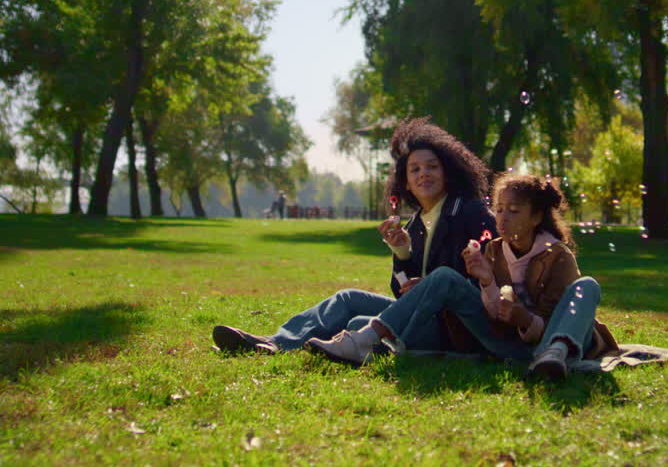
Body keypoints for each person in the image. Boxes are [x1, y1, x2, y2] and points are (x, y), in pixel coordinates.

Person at [210, 117, 496, 354]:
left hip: (454, 325)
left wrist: (430, 289)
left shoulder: (469, 212)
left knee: (361, 321)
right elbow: (401, 293)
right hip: (421, 317)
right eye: (415, 169)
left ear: (449, 171)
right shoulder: (415, 225)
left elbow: (490, 275)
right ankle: (275, 343)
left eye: (433, 166)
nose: (424, 174)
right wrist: (402, 254)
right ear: (405, 181)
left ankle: (353, 345)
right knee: (347, 300)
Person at [305, 173, 618, 381]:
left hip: (539, 349)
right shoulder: (494, 250)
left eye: (514, 211)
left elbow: (557, 318)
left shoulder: (557, 256)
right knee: (444, 277)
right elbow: (495, 316)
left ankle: (556, 358)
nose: (503, 218)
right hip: (499, 344)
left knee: (587, 285)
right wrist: (485, 280)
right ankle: (367, 338)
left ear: (536, 216)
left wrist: (525, 319)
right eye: (499, 210)